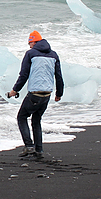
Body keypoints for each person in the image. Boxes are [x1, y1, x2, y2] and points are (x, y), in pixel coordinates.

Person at [6, 30, 63, 159]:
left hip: (35, 93)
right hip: (47, 94)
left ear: (33, 41)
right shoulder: (54, 55)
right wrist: (59, 93)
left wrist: (14, 90)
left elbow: (24, 75)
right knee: (36, 120)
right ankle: (39, 150)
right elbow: (58, 76)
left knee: (22, 117)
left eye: (29, 43)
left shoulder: (30, 54)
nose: (29, 46)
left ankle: (29, 146)